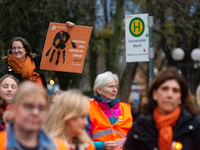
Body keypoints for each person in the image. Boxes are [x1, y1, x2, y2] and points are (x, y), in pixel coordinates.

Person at [123, 66, 200, 150]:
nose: (169, 95)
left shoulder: (193, 126)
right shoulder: (141, 127)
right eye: (165, 89)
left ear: (180, 98)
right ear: (155, 94)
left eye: (175, 90)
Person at [0, 21, 74, 88]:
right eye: (13, 48)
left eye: (19, 47)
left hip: (40, 101)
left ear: (26, 50)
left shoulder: (37, 62)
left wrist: (67, 29)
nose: (16, 50)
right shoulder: (5, 71)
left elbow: (54, 49)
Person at [0, 81, 69, 149]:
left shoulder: (60, 147)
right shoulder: (1, 143)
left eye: (41, 108)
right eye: (28, 106)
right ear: (13, 109)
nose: (35, 112)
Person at [87, 71, 133, 150]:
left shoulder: (127, 109)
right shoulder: (88, 108)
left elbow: (134, 140)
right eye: (110, 86)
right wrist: (102, 146)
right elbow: (81, 143)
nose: (115, 90)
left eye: (116, 87)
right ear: (99, 90)